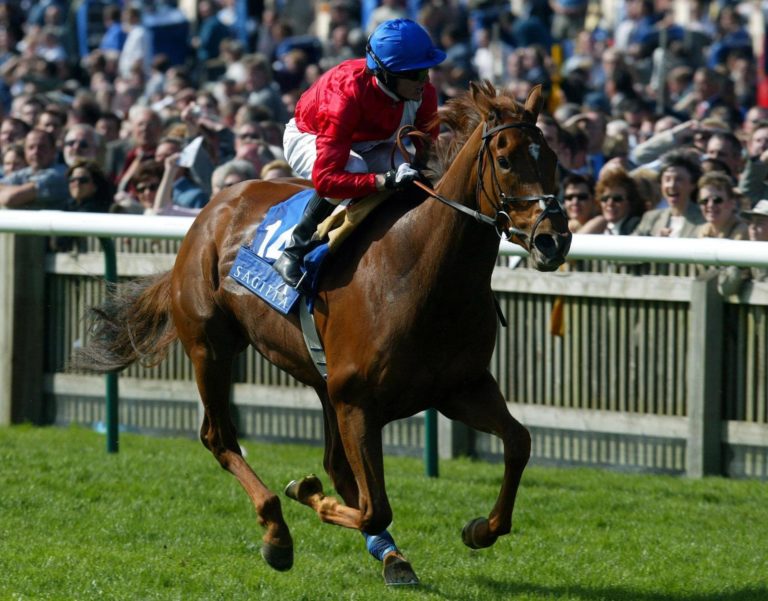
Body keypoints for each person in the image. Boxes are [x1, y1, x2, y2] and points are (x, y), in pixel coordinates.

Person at [273, 18, 446, 291]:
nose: (425, 80)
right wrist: (382, 180)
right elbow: (327, 180)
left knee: (408, 171)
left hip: (373, 139)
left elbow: (429, 155)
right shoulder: (344, 96)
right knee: (353, 166)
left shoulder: (423, 92)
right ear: (386, 74)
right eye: (415, 74)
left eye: (427, 70)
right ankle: (294, 250)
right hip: (311, 134)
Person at [632, 150, 705, 237]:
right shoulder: (651, 218)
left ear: (693, 184)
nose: (672, 185)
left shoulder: (704, 218)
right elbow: (631, 247)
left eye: (679, 179)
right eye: (667, 179)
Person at [0, 128, 67, 209]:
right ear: (25, 151)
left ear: (53, 151)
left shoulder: (59, 174)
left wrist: (15, 192)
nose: (36, 152)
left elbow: (10, 198)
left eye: (42, 147)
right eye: (31, 147)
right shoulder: (26, 172)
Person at [579, 167, 645, 235]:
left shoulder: (637, 226)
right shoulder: (596, 225)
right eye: (604, 199)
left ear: (630, 201)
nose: (610, 203)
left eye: (617, 199)